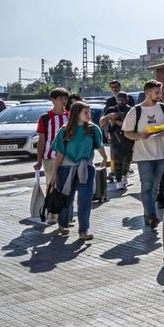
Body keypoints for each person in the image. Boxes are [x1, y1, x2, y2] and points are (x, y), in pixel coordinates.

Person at [47, 101, 109, 240]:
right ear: (76, 114)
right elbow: (60, 154)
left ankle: (84, 230)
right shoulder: (64, 130)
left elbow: (99, 145)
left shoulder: (93, 129)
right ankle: (63, 224)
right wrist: (54, 173)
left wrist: (104, 157)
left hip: (86, 168)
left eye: (89, 112)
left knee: (85, 200)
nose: (89, 115)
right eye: (85, 112)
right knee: (66, 200)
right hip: (66, 169)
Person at [123, 80, 164, 230]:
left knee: (155, 187)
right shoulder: (136, 111)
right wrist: (139, 136)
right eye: (157, 93)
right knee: (147, 186)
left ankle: (148, 212)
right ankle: (151, 215)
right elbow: (127, 132)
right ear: (147, 93)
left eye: (160, 92)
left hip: (161, 153)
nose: (160, 95)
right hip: (143, 155)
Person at [34, 88, 70, 224]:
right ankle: (52, 213)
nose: (64, 101)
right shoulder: (45, 118)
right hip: (50, 157)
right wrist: (38, 161)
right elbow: (41, 141)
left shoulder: (70, 116)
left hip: (68, 157)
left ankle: (66, 214)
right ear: (53, 100)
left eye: (65, 98)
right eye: (61, 98)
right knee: (51, 185)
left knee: (67, 186)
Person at [100, 92, 134, 190]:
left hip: (128, 137)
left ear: (127, 99)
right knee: (117, 158)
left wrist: (120, 122)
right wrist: (110, 116)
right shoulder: (111, 109)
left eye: (123, 99)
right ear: (116, 100)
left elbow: (134, 124)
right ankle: (118, 180)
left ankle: (124, 175)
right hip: (115, 137)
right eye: (119, 100)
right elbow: (102, 122)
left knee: (128, 158)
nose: (121, 102)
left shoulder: (131, 110)